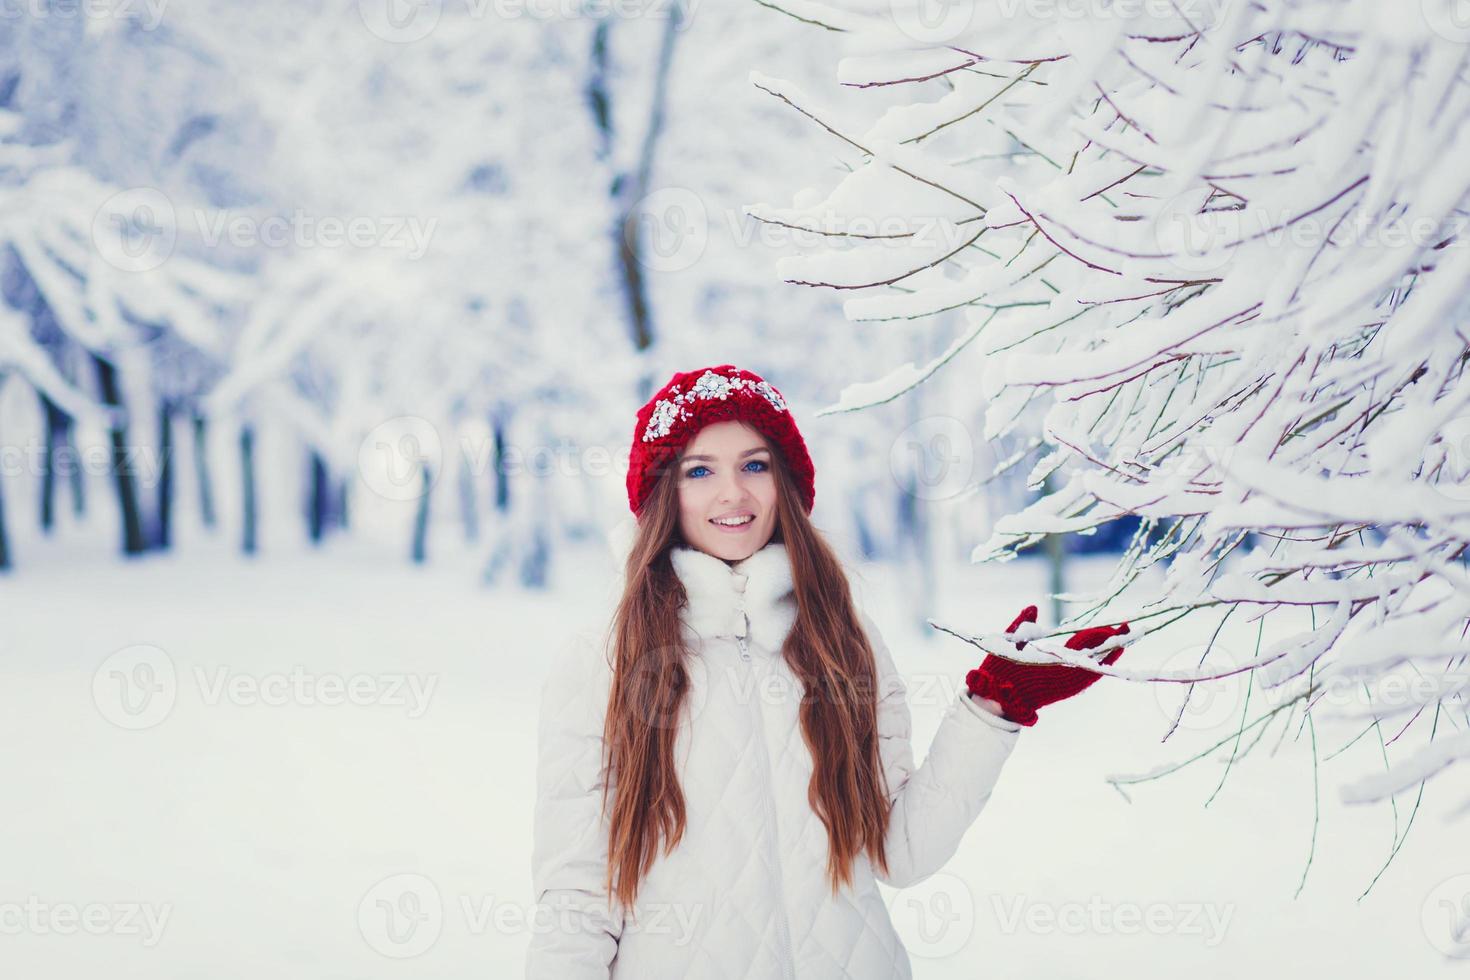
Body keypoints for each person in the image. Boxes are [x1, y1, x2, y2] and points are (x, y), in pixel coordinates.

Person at [526, 364, 1130, 979]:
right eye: (699, 470)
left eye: (755, 465)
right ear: (663, 494)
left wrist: (992, 707)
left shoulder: (842, 639)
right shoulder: (605, 661)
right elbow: (576, 897)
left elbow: (901, 851)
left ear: (785, 482)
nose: (732, 493)